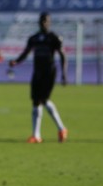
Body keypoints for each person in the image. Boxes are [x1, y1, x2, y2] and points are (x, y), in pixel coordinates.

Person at [9, 12, 69, 143]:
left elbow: (63, 55)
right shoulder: (34, 38)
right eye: (42, 20)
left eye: (46, 20)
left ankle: (58, 129)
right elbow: (26, 52)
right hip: (37, 72)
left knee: (43, 99)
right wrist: (16, 61)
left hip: (49, 72)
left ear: (49, 22)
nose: (44, 23)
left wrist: (64, 74)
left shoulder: (54, 38)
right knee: (36, 101)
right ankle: (38, 135)